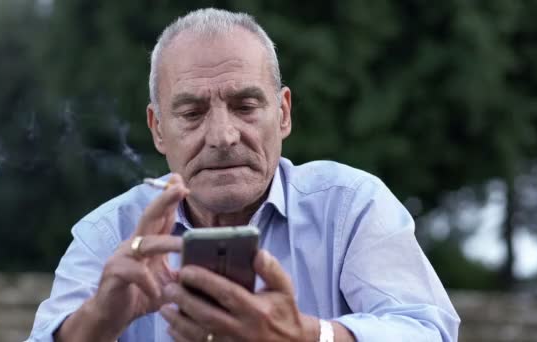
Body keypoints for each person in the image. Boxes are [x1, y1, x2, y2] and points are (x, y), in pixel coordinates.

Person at [27, 8, 460, 342]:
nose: (222, 136)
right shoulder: (111, 235)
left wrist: (306, 335)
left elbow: (428, 332)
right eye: (192, 113)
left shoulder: (349, 206)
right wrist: (100, 319)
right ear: (158, 128)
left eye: (246, 106)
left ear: (284, 113)